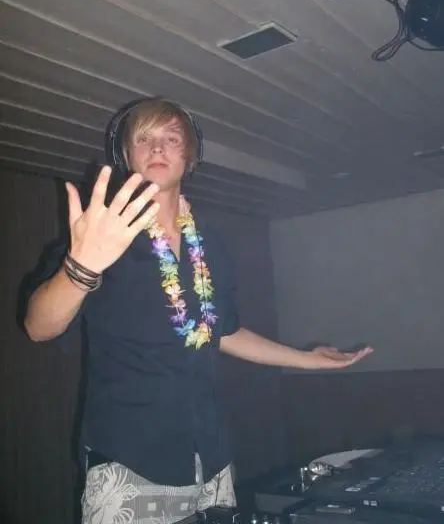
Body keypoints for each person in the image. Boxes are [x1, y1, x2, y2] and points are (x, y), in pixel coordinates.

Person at [24, 97, 373, 524]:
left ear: (189, 156)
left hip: (210, 459)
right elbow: (38, 326)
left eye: (170, 139)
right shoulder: (99, 236)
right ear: (126, 155)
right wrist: (81, 268)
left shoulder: (210, 245)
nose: (157, 148)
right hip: (130, 461)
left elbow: (221, 331)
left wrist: (308, 360)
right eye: (144, 139)